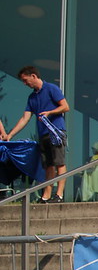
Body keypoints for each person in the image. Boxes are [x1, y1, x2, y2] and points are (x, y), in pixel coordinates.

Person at [2, 66, 71, 203]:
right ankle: (46, 195)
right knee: (48, 165)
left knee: (59, 162)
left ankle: (59, 195)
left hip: (55, 132)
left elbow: (65, 106)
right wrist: (10, 135)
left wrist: (50, 113)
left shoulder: (51, 88)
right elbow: (25, 118)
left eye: (25, 80)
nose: (25, 83)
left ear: (33, 76)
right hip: (43, 134)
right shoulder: (32, 97)